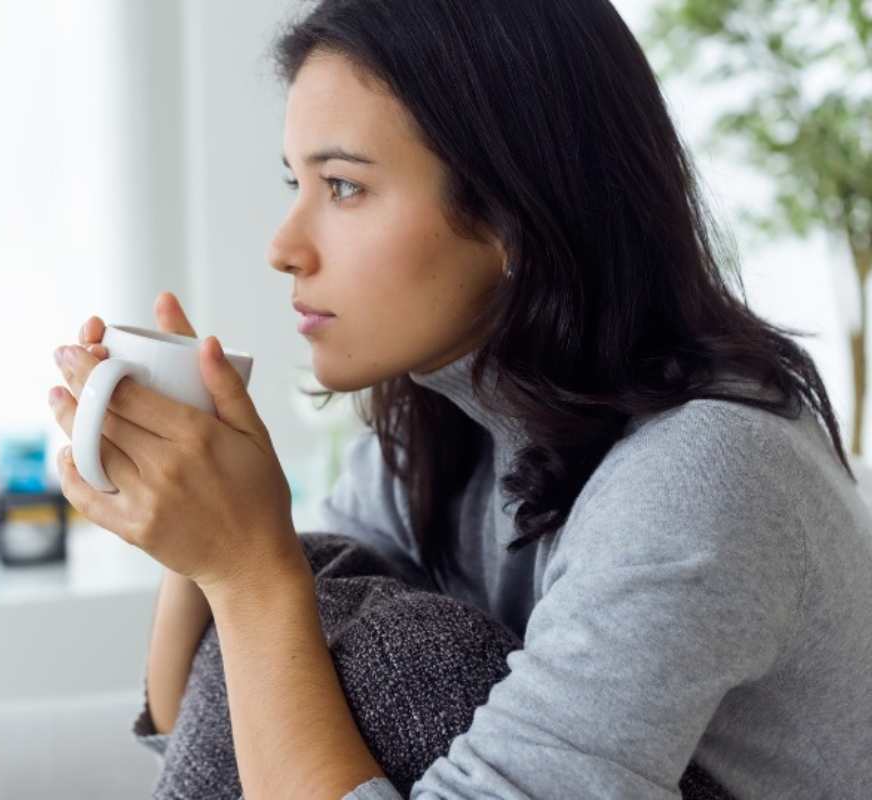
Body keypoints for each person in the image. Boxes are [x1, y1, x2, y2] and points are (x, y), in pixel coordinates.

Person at [50, 0, 872, 797]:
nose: (284, 246)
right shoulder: (438, 416)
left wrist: (248, 572)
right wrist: (198, 539)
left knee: (369, 644)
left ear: (514, 212)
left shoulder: (707, 473)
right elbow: (206, 741)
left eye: (342, 187)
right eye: (294, 182)